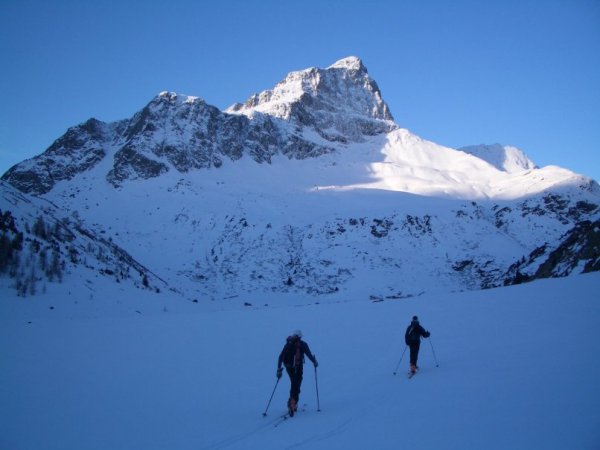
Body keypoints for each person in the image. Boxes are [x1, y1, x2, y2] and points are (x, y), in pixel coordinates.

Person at [276, 330, 318, 416]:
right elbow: (309, 354)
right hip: (298, 368)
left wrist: (279, 369)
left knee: (294, 383)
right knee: (296, 385)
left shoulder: (288, 344)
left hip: (288, 367)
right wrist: (314, 362)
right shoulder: (302, 344)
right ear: (300, 337)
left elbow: (281, 356)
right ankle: (292, 403)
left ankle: (292, 402)